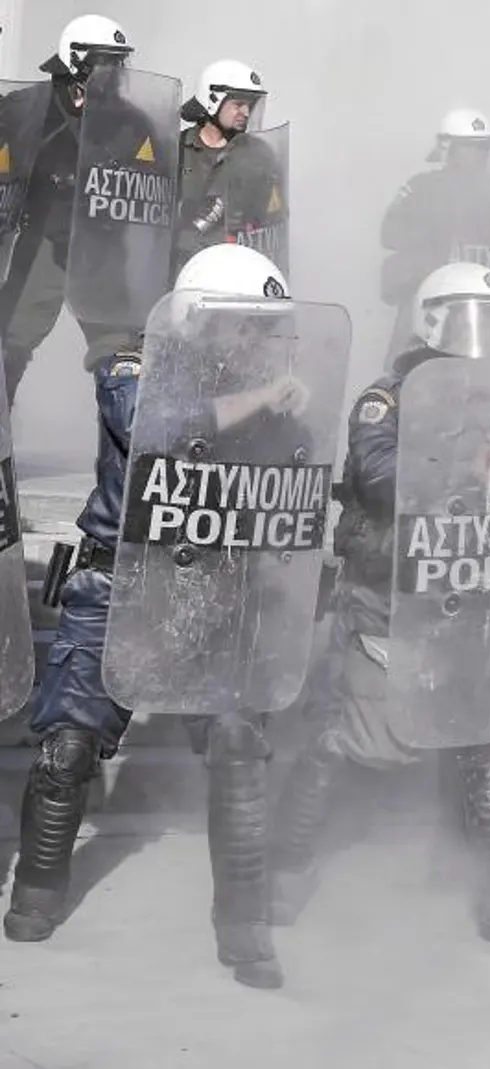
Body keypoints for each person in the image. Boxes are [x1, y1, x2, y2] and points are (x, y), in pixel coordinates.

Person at [4, 247, 308, 992]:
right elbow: (153, 426)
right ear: (201, 318)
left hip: (209, 585)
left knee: (238, 747)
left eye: (266, 329)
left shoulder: (270, 392)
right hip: (118, 580)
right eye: (244, 325)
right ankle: (37, 892)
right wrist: (263, 398)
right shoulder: (131, 365)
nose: (256, 343)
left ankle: (243, 920)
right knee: (67, 748)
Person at [267, 262, 490, 959]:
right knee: (353, 739)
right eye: (475, 319)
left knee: (489, 740)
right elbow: (382, 476)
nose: (488, 336)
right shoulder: (387, 397)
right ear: (431, 319)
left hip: (473, 591)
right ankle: (288, 864)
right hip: (386, 592)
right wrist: (461, 466)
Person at [0, 15, 138, 403]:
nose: (114, 73)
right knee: (11, 338)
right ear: (77, 60)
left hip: (101, 246)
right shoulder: (25, 110)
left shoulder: (129, 121)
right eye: (105, 62)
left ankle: (127, 445)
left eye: (118, 63)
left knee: (122, 350)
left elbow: (153, 182)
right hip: (40, 238)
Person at [378, 110, 490, 358]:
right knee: (408, 373)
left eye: (484, 146)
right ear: (447, 147)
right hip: (427, 303)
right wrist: (431, 240)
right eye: (470, 146)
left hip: (478, 311)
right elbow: (389, 232)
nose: (479, 153)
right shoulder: (420, 188)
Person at [174, 59, 282, 274]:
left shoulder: (260, 156)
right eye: (238, 104)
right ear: (213, 99)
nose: (246, 113)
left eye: (249, 106)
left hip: (238, 271)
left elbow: (274, 223)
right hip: (183, 269)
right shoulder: (175, 148)